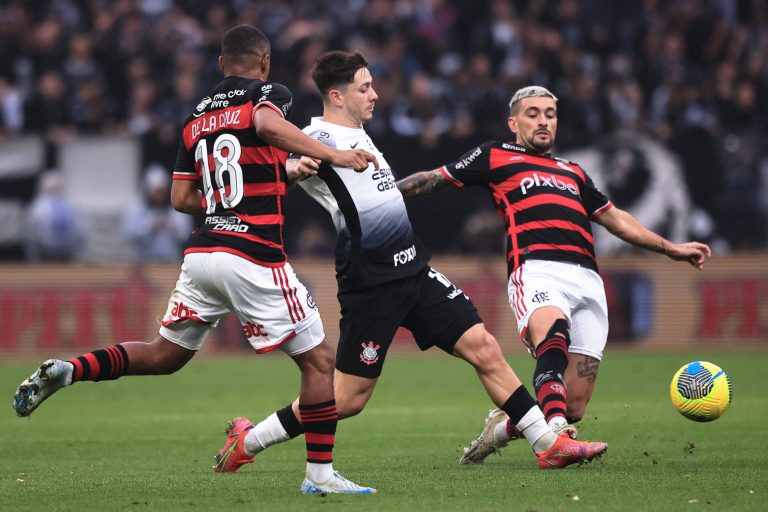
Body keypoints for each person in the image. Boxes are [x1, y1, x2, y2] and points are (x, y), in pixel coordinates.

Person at [12, 25, 380, 496]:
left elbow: (182, 197)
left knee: (164, 354)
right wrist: (335, 154)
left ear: (221, 65)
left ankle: (71, 368)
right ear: (263, 61)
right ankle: (320, 477)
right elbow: (267, 125)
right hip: (253, 256)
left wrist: (277, 175)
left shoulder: (195, 117)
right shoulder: (269, 92)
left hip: (203, 253)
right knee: (319, 364)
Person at [217, 51, 608, 474]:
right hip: (371, 280)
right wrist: (294, 166)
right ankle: (249, 439)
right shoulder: (317, 137)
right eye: (364, 87)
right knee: (348, 399)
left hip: (413, 269)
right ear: (336, 95)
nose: (375, 94)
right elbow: (276, 164)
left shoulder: (359, 133)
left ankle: (547, 444)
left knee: (484, 348)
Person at [395, 85, 712, 463]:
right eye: (533, 113)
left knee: (574, 401)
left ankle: (504, 427)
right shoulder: (495, 155)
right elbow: (435, 178)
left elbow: (616, 219)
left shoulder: (573, 172)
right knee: (553, 337)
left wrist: (670, 247)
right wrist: (382, 197)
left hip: (588, 281)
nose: (543, 120)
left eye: (550, 113)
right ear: (514, 122)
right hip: (537, 269)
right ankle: (556, 437)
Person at [122, 164, 193, 263]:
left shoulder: (176, 208)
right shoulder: (137, 209)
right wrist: (149, 226)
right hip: (144, 263)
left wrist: (174, 227)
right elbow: (128, 233)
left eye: (161, 192)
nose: (159, 196)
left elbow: (187, 233)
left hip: (171, 263)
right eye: (156, 192)